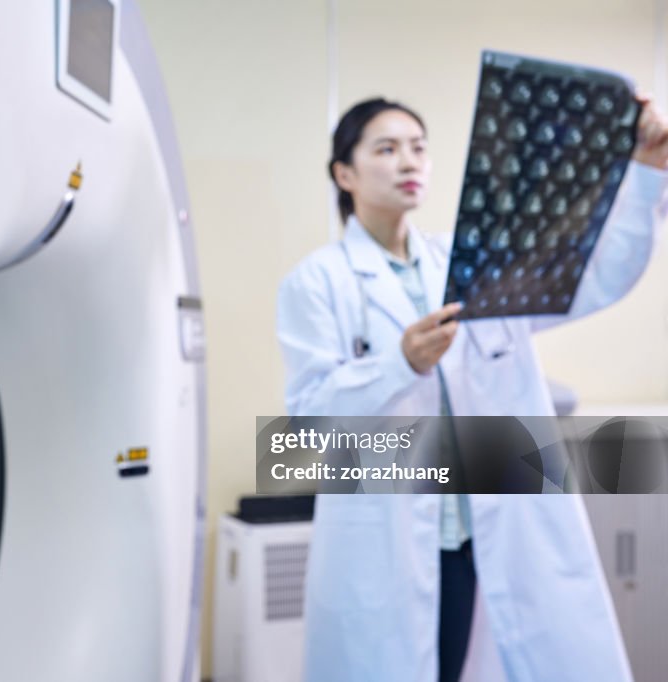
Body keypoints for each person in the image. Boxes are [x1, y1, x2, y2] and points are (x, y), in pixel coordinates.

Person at [277, 95, 668, 681]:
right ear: (345, 174)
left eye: (418, 147)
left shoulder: (470, 264)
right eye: (386, 149)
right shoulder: (317, 282)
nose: (409, 162)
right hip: (393, 545)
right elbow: (309, 420)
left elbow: (595, 278)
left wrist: (645, 173)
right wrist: (397, 364)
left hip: (494, 534)